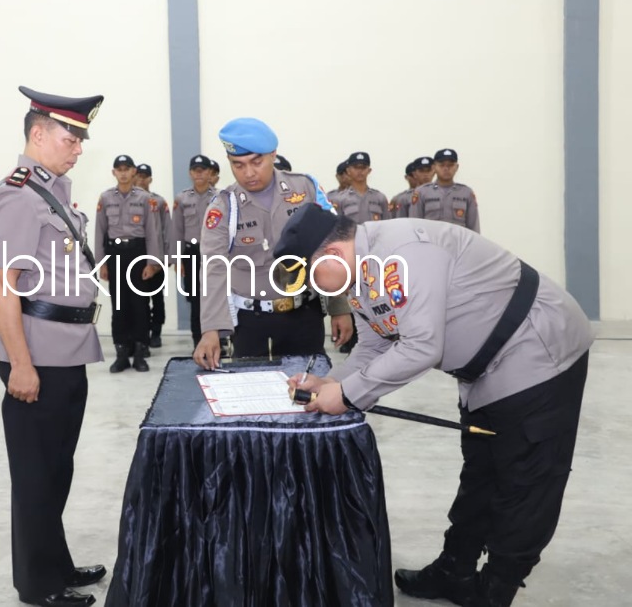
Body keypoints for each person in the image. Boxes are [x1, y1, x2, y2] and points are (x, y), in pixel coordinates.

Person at [278, 204, 594, 607]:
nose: (317, 292)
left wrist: (348, 396)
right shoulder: (358, 271)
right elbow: (375, 343)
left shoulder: (405, 253)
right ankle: (454, 569)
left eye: (311, 279)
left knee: (525, 479)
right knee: (481, 470)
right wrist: (332, 383)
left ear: (332, 256)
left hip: (537, 351)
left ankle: (497, 587)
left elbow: (422, 347)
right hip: (485, 369)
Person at [0, 86, 107, 607]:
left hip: (68, 350)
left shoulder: (51, 192)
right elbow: (3, 286)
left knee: (57, 468)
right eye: (70, 136)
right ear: (38, 134)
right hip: (36, 356)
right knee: (36, 475)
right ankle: (38, 585)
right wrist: (20, 363)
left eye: (81, 138)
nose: (78, 147)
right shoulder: (17, 195)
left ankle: (54, 563)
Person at [193, 118, 352, 368]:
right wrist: (211, 329)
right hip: (251, 323)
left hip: (305, 315)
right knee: (254, 397)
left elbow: (332, 248)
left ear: (273, 154)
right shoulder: (224, 206)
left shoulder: (306, 188)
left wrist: (340, 307)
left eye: (257, 162)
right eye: (238, 165)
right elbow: (213, 268)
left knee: (309, 394)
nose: (248, 173)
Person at [95, 155, 163, 373]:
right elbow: (100, 232)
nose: (123, 173)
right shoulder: (105, 198)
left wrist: (152, 262)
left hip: (138, 254)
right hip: (115, 255)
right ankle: (122, 354)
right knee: (119, 305)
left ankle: (140, 353)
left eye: (127, 169)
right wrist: (101, 263)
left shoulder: (145, 198)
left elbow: (152, 233)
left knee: (140, 305)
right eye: (119, 169)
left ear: (134, 172)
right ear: (113, 172)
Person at [169, 154, 215, 346]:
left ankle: (216, 340)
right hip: (191, 254)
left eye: (203, 170)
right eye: (195, 170)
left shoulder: (219, 198)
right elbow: (176, 230)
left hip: (213, 254)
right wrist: (177, 260)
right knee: (195, 300)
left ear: (210, 172)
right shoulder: (182, 198)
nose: (199, 174)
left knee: (214, 298)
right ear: (190, 173)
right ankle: (198, 341)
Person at [133, 162, 170, 349]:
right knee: (139, 300)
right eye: (137, 175)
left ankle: (156, 332)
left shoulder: (159, 202)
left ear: (150, 179)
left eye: (144, 176)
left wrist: (166, 259)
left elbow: (166, 231)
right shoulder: (131, 201)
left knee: (157, 298)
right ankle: (142, 334)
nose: (140, 179)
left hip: (157, 259)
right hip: (136, 258)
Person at [409, 148, 480, 232]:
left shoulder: (466, 193)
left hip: (457, 243)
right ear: (434, 167)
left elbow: (473, 228)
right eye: (442, 165)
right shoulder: (421, 192)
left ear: (456, 167)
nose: (446, 169)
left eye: (450, 165)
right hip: (431, 243)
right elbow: (414, 224)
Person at [333, 152, 390, 222]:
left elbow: (387, 225)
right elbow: (336, 227)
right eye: (355, 167)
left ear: (369, 170)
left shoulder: (380, 198)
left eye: (363, 167)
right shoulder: (340, 199)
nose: (360, 171)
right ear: (348, 171)